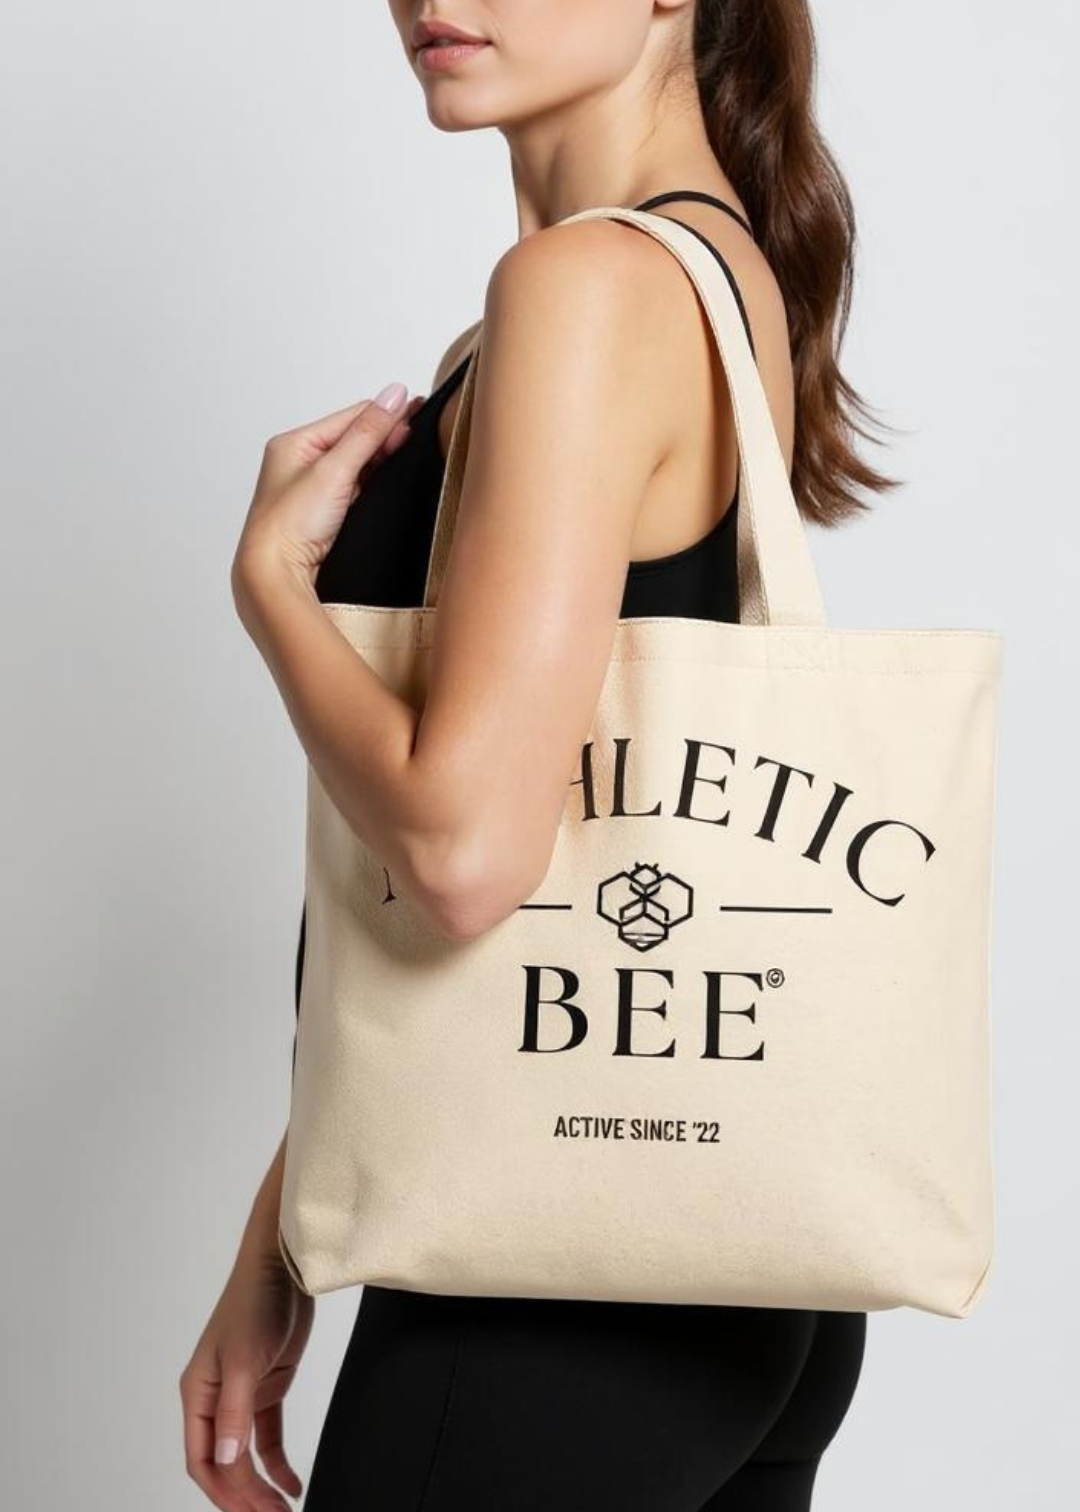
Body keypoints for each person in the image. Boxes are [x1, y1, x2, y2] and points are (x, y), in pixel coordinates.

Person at [181, 1, 895, 1507]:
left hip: (550, 1293)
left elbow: (461, 854)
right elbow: (525, 895)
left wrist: (267, 591)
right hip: (727, 1241)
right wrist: (289, 1234)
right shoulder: (698, 277)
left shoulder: (587, 288)